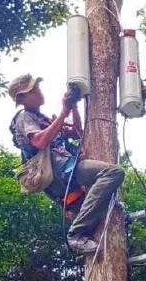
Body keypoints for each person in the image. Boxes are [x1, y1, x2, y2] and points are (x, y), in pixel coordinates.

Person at [9, 74, 126, 255]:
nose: (38, 92)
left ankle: (82, 230)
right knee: (113, 173)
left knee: (107, 211)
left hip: (68, 171)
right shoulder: (24, 117)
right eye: (33, 90)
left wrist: (73, 107)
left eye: (37, 87)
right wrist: (64, 112)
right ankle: (76, 234)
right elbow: (39, 141)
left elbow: (77, 132)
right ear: (21, 99)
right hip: (61, 172)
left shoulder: (43, 119)